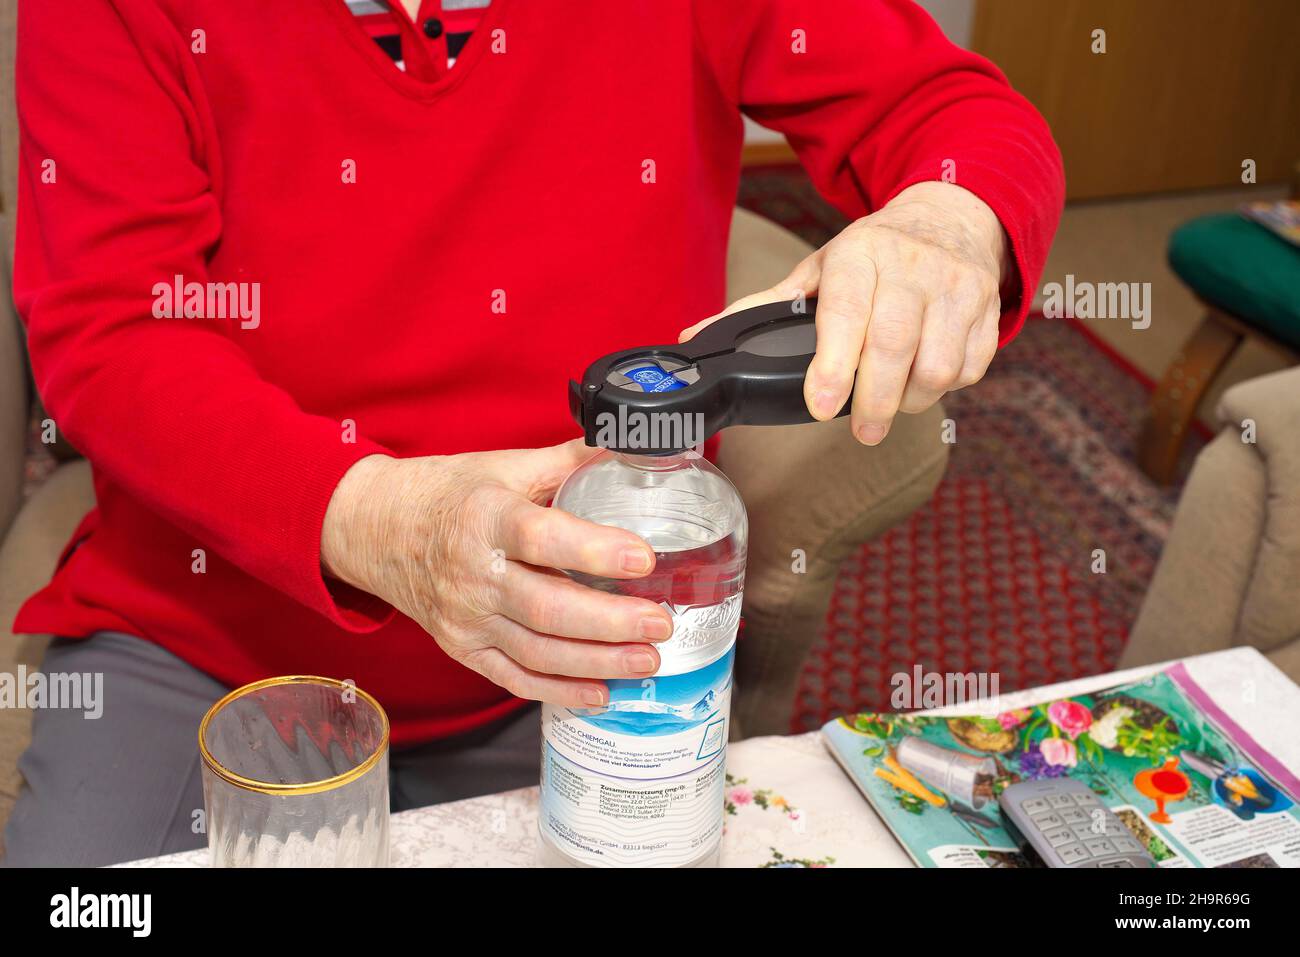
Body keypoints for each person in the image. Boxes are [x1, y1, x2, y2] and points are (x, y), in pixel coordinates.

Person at [2, 0, 1063, 865]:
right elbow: (112, 334)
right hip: (207, 645)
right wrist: (382, 522)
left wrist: (947, 218)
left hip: (587, 639)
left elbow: (952, 110)